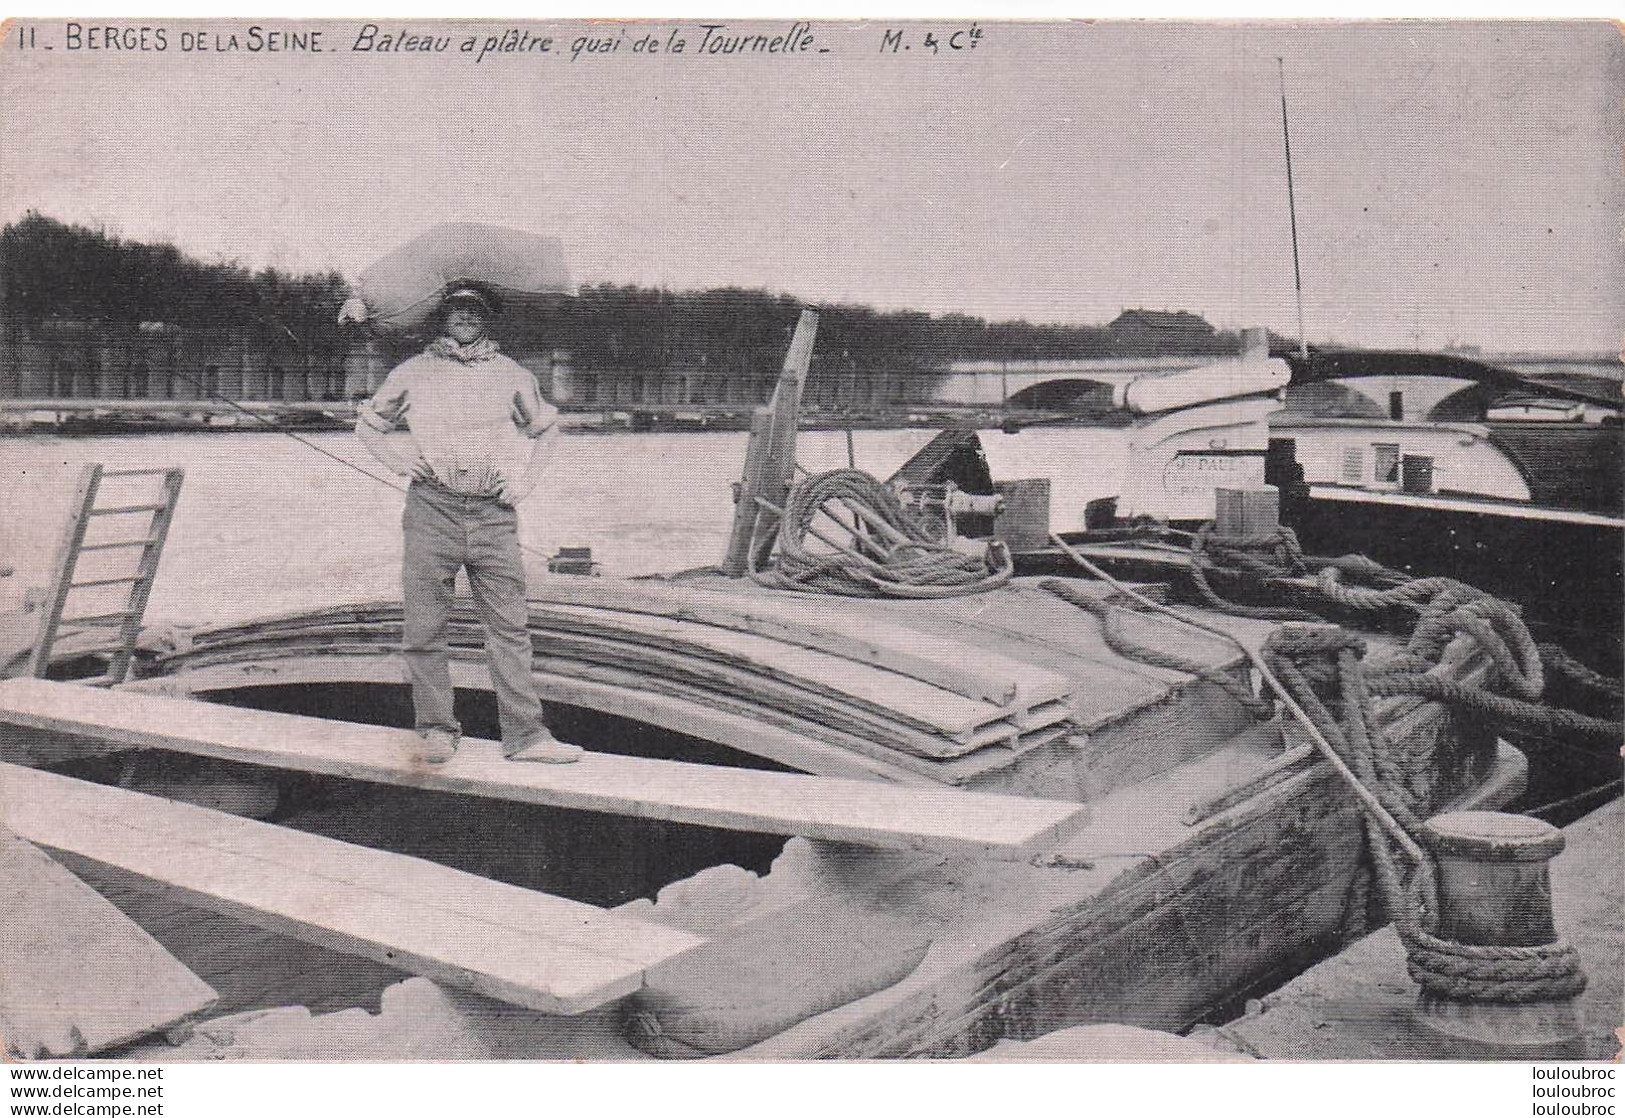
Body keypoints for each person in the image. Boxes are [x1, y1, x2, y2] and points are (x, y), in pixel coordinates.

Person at [355, 284, 582, 765]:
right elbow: (367, 425)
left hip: (493, 514)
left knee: (510, 628)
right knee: (424, 628)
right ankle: (436, 729)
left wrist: (524, 483)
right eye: (457, 309)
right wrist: (398, 462)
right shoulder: (412, 372)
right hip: (431, 509)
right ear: (442, 316)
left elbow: (548, 431)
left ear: (487, 319)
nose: (465, 317)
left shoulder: (512, 375)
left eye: (474, 310)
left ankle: (526, 737)